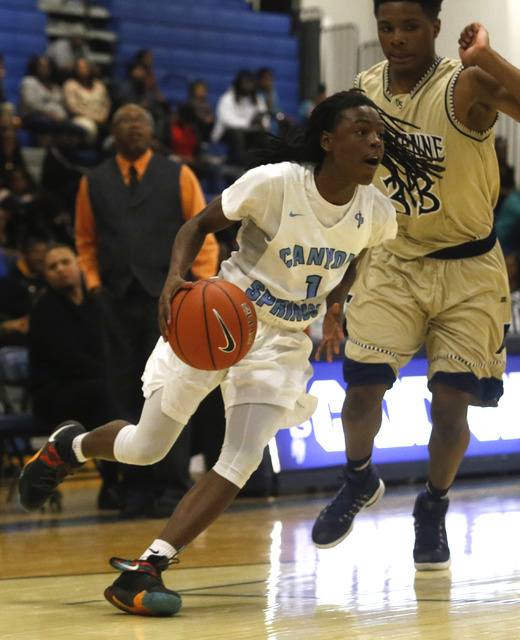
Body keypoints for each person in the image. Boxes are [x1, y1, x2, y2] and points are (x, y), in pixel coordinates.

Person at [17, 89, 441, 616]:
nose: (375, 140)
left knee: (240, 460)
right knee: (148, 447)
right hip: (222, 315)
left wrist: (335, 303)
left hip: (284, 341)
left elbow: (357, 256)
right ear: (328, 141)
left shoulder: (376, 211)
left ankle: (148, 567)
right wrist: (175, 278)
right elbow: (197, 225)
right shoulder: (276, 183)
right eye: (361, 131)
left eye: (378, 133)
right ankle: (71, 447)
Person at [311, 1, 520, 572]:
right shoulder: (364, 88)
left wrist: (489, 57)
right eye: (386, 27)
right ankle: (357, 479)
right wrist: (337, 285)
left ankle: (433, 505)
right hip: (393, 260)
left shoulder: (466, 84)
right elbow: (355, 193)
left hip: (468, 269)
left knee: (451, 407)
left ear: (436, 28)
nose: (396, 38)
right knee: (360, 391)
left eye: (409, 27)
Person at [74, 103, 220, 518]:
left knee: (171, 391)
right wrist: (96, 284)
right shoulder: (93, 181)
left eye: (140, 120)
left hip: (171, 300)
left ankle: (172, 489)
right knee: (122, 393)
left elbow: (204, 231)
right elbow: (85, 240)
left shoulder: (178, 173)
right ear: (112, 131)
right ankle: (133, 490)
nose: (133, 126)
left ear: (152, 131)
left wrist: (201, 286)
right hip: (115, 301)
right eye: (124, 120)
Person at [28, 243, 121, 509]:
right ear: (45, 275)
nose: (60, 270)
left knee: (120, 392)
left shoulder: (98, 302)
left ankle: (139, 480)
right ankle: (112, 482)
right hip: (55, 393)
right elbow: (67, 361)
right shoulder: (44, 310)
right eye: (52, 266)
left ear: (79, 264)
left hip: (94, 385)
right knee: (106, 396)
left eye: (65, 262)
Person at [211, 69, 270, 167]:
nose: (248, 86)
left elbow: (264, 117)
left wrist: (262, 124)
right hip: (227, 133)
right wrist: (249, 123)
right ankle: (241, 166)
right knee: (238, 134)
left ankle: (265, 165)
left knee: (265, 137)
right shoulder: (227, 98)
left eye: (250, 83)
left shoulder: (258, 99)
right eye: (245, 82)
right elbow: (227, 120)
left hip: (250, 132)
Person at [63, 58, 111, 147]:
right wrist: (93, 117)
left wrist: (103, 116)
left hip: (101, 119)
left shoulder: (99, 85)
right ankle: (87, 150)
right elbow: (72, 107)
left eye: (86, 66)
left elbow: (106, 104)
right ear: (75, 69)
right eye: (81, 67)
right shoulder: (70, 85)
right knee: (90, 128)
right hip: (80, 118)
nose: (84, 69)